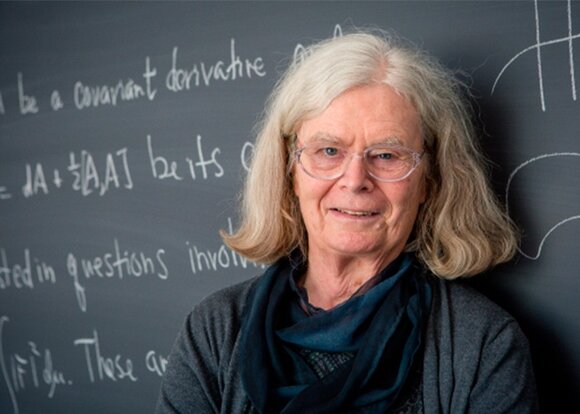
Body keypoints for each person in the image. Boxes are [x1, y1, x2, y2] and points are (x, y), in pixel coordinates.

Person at [156, 31, 538, 413]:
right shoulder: (215, 330)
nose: (355, 180)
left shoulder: (484, 344)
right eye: (328, 151)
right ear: (290, 171)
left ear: (429, 180)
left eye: (386, 155)